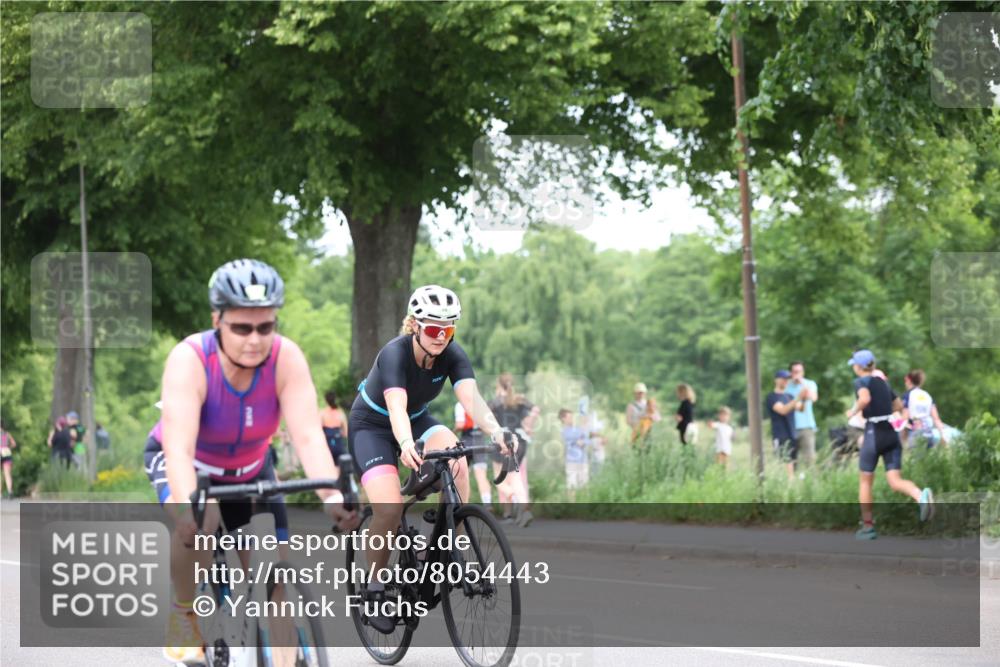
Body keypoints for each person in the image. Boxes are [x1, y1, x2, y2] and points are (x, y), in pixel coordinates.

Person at [143, 258, 356, 665]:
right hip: (191, 465)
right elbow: (179, 450)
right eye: (242, 327)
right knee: (201, 525)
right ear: (217, 319)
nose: (255, 339)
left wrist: (331, 494)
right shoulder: (190, 360)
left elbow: (309, 436)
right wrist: (187, 504)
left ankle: (283, 655)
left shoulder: (286, 358)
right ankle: (184, 610)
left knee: (271, 581)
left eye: (265, 327)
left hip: (251, 469)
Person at [348, 284, 517, 634]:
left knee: (457, 460)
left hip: (416, 418)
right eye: (433, 329)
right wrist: (406, 442)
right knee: (390, 509)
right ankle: (375, 588)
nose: (441, 337)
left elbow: (472, 401)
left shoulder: (452, 354)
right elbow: (395, 406)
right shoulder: (394, 354)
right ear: (414, 325)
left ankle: (439, 553)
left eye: (449, 329)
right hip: (373, 424)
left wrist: (497, 431)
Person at [846, 350, 934, 540]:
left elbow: (864, 399)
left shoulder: (861, 382)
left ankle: (868, 527)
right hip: (891, 434)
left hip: (874, 432)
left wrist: (852, 411)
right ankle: (920, 496)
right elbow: (898, 406)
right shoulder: (883, 382)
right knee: (895, 481)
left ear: (858, 367)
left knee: (865, 481)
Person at [488, 372, 538, 527]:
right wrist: (528, 425)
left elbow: (484, 420)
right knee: (513, 477)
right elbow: (536, 409)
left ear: (498, 385)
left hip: (503, 442)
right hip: (521, 441)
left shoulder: (494, 402)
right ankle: (515, 511)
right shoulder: (519, 400)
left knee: (500, 480)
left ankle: (520, 505)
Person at [766, 370, 801, 481]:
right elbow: (783, 410)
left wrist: (803, 390)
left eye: (787, 379)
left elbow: (801, 407)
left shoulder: (789, 396)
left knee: (793, 461)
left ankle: (792, 483)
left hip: (792, 434)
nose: (786, 381)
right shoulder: (772, 397)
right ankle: (787, 483)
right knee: (784, 461)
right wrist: (799, 397)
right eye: (783, 379)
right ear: (776, 380)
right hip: (780, 434)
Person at [455, 399, 491, 508]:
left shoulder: (460, 404)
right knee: (481, 475)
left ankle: (463, 505)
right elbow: (486, 426)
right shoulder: (480, 404)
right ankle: (487, 503)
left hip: (467, 440)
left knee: (464, 474)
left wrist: (452, 432)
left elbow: (460, 425)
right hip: (480, 440)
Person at [902, 370, 949, 448]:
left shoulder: (908, 395)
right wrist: (943, 435)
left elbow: (904, 418)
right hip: (928, 433)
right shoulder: (927, 395)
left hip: (916, 432)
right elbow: (936, 418)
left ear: (909, 381)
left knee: (915, 459)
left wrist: (902, 439)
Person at [785, 361, 819, 465]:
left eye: (799, 371)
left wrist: (802, 384)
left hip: (806, 426)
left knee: (810, 459)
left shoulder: (809, 384)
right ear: (790, 373)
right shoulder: (787, 386)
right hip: (790, 426)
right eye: (795, 372)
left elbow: (813, 398)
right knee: (791, 459)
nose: (797, 374)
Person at [559, 408, 589, 499]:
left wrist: (582, 439)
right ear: (563, 419)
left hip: (583, 460)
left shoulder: (577, 429)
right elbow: (572, 437)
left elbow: (587, 440)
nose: (572, 419)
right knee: (571, 486)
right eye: (569, 417)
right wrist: (581, 436)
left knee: (584, 486)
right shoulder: (563, 430)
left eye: (572, 417)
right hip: (571, 462)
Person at [321, 390, 349, 462]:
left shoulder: (322, 413)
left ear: (326, 400)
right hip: (338, 442)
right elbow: (346, 433)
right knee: (341, 465)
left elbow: (319, 432)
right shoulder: (340, 413)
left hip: (327, 444)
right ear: (335, 400)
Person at [1, 422, 17, 498]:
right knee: (7, 474)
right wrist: (8, 448)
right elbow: (14, 444)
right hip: (7, 452)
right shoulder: (7, 434)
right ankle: (10, 491)